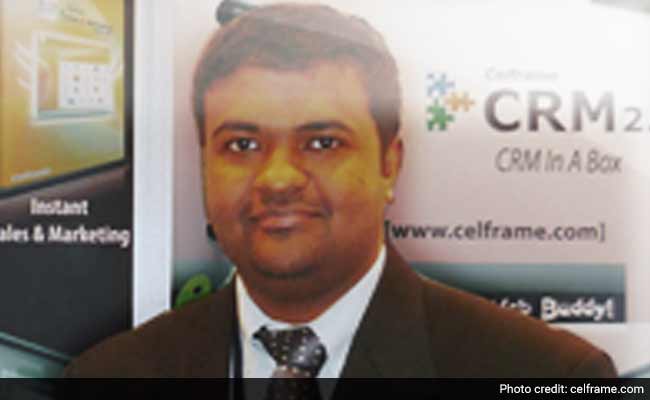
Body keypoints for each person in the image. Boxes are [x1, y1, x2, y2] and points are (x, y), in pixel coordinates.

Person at [64, 2, 616, 383]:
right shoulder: (109, 378)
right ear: (203, 161)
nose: (278, 178)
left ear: (389, 164)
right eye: (242, 144)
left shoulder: (548, 374)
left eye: (322, 142)